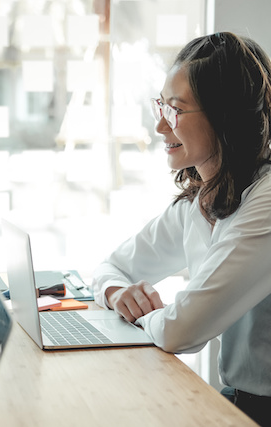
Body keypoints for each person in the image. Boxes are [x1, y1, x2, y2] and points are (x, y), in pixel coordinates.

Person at [91, 32, 271, 426]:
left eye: (174, 109)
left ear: (224, 116)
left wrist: (142, 315)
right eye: (161, 106)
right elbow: (111, 266)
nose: (159, 126)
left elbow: (181, 332)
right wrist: (117, 292)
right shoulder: (203, 200)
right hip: (240, 401)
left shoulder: (267, 201)